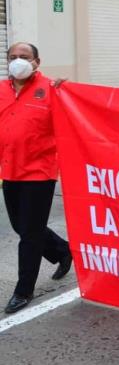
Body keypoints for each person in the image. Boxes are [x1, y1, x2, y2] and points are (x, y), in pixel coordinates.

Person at [1, 43, 73, 313]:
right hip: (9, 170)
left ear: (37, 62)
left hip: (39, 172)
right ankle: (62, 251)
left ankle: (23, 290)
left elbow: (74, 116)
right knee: (22, 226)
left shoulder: (52, 90)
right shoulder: (1, 90)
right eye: (13, 57)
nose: (18, 61)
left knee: (29, 234)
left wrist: (68, 90)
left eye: (24, 57)